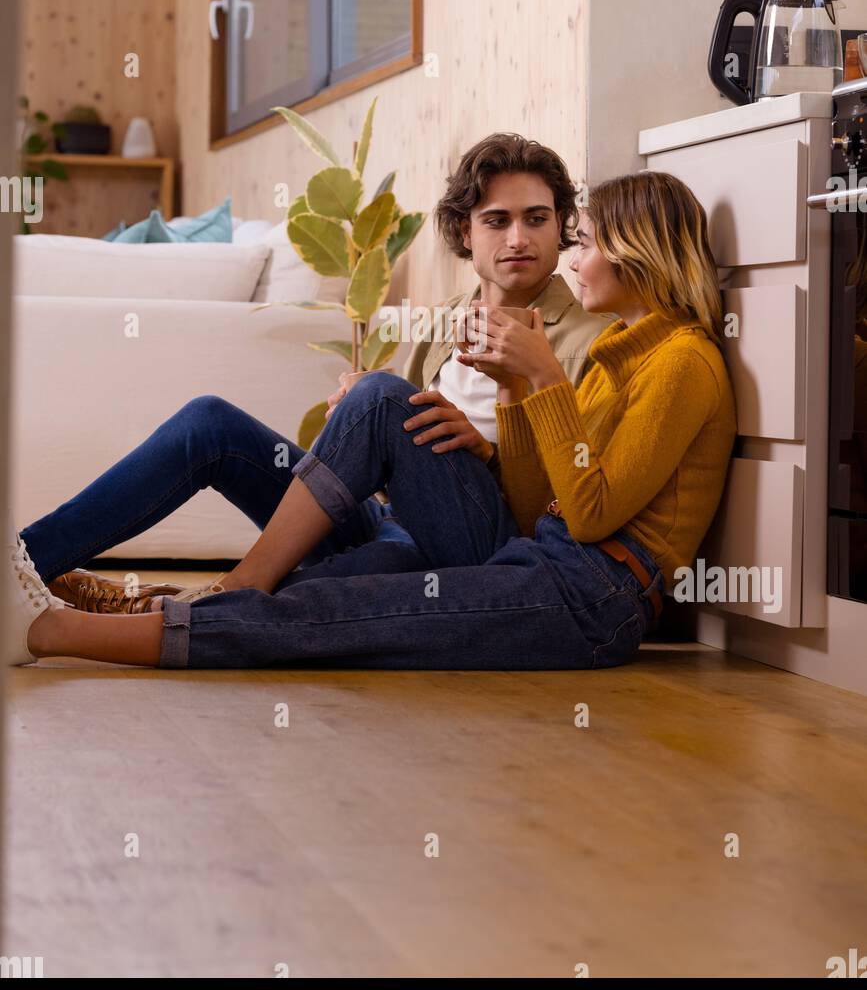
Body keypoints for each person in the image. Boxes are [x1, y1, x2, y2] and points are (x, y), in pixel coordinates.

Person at [10, 170, 737, 671]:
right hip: (507, 544)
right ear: (467, 234)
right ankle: (29, 571)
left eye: (567, 234)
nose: (553, 249)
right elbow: (539, 500)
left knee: (321, 611)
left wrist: (538, 378)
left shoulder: (671, 361)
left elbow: (584, 515)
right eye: (499, 221)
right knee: (370, 399)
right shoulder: (617, 349)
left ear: (636, 249)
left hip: (581, 585)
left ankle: (60, 629)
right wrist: (515, 393)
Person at [40, 133, 609, 613]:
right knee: (209, 423)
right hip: (390, 516)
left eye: (537, 219)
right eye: (497, 220)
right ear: (466, 233)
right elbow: (396, 450)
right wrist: (359, 421)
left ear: (560, 225)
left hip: (479, 544)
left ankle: (184, 599)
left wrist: (487, 456)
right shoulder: (447, 322)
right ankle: (26, 560)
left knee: (306, 583)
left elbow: (574, 504)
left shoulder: (586, 339)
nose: (518, 238)